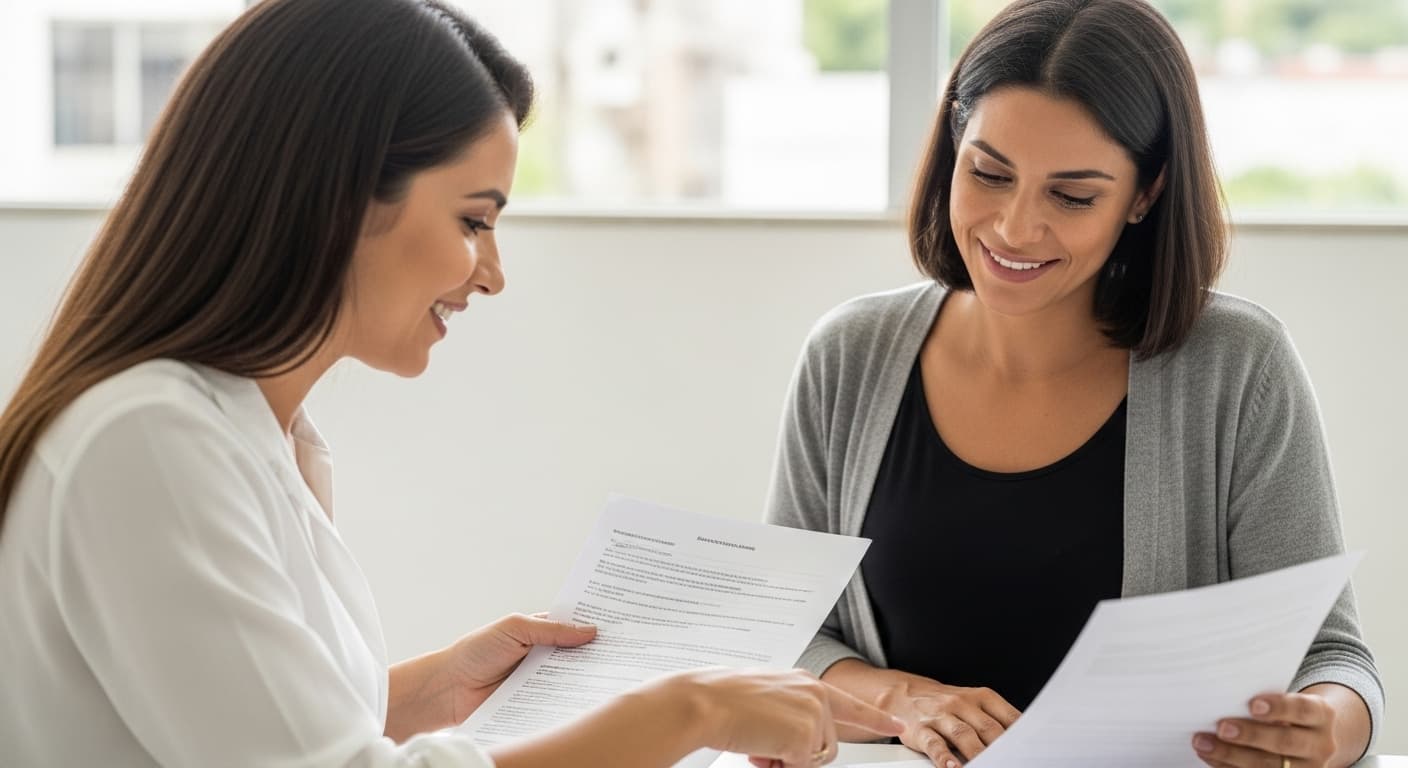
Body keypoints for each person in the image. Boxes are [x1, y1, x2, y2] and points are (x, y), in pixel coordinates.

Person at [0, 1, 906, 766]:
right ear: (338, 197)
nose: (491, 273)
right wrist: (684, 715)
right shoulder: (149, 441)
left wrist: (433, 691)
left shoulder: (258, 432)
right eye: (474, 220)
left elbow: (245, 729)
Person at [764, 1, 1383, 767]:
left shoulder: (1238, 365)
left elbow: (1334, 660)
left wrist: (1326, 727)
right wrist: (899, 697)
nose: (1015, 227)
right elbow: (784, 635)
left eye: (1073, 195)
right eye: (989, 174)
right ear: (955, 143)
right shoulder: (848, 356)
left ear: (1146, 194)